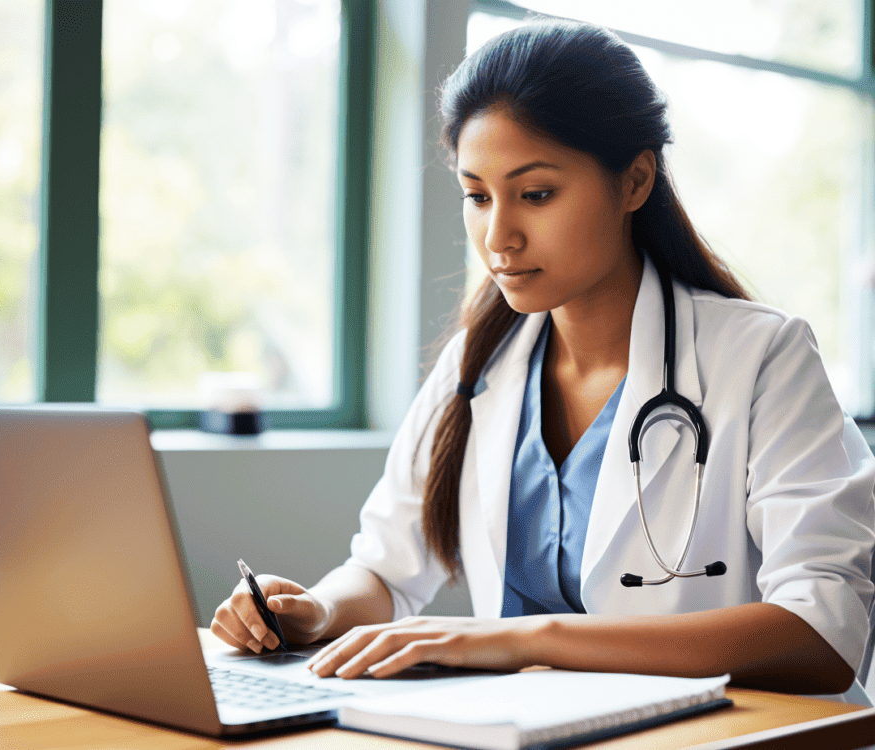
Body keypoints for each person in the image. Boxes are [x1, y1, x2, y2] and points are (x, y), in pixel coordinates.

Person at [211, 19, 875, 701]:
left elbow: (821, 634)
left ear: (635, 181)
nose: (498, 236)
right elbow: (384, 570)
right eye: (477, 195)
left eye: (535, 194)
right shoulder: (478, 363)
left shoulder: (763, 357)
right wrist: (312, 611)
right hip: (522, 731)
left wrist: (525, 641)